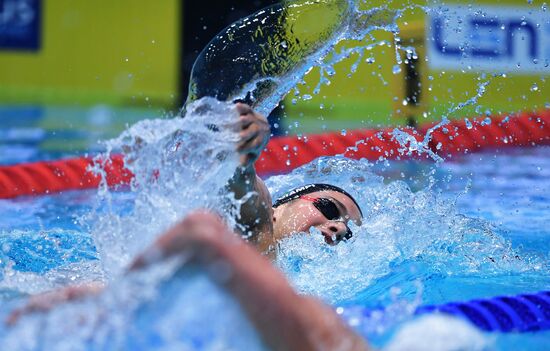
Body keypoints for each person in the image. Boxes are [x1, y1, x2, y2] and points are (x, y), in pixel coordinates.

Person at [7, 104, 369, 350]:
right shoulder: (258, 228)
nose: (336, 227)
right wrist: (244, 160)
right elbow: (249, 202)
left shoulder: (299, 290)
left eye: (346, 230)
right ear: (281, 207)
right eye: (327, 207)